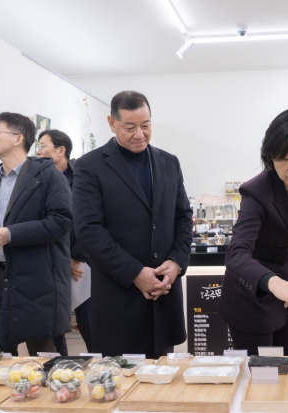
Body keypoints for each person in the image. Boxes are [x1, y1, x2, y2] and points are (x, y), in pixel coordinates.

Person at [72, 91, 192, 358]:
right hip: (119, 300)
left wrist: (176, 261)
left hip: (164, 296)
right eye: (130, 127)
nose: (140, 134)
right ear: (111, 123)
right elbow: (88, 230)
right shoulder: (90, 166)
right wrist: (135, 273)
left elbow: (183, 216)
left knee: (164, 376)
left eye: (145, 125)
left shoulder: (169, 162)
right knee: (120, 378)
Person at [219, 109, 288, 356]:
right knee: (260, 373)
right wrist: (275, 283)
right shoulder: (256, 192)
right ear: (270, 155)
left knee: (287, 364)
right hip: (252, 295)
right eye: (285, 158)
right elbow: (236, 255)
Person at [0, 112, 72, 355]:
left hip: (36, 280)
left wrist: (11, 234)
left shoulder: (48, 176)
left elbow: (61, 221)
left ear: (17, 138)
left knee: (44, 358)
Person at [37, 129, 93, 354]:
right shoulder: (39, 179)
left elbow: (91, 220)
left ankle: (101, 365)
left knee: (90, 322)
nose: (38, 152)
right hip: (50, 262)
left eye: (42, 146)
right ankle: (61, 367)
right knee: (55, 325)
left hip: (82, 263)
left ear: (61, 150)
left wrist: (76, 256)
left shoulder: (83, 176)